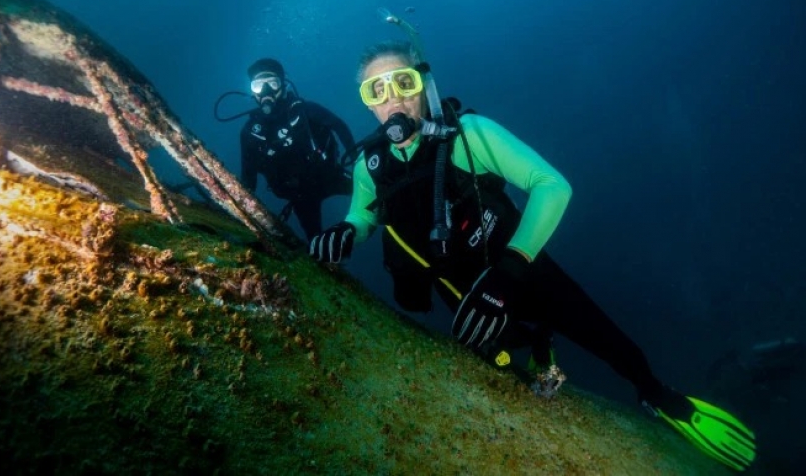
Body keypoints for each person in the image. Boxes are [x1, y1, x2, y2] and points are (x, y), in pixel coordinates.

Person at [309, 38, 758, 472]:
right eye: (377, 89)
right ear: (367, 102)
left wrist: (510, 269)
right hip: (462, 293)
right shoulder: (372, 164)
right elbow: (363, 213)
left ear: (423, 85)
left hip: (520, 272)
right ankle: (536, 342)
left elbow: (553, 185)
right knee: (504, 367)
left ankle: (659, 396)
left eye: (403, 83)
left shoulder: (469, 136)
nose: (393, 100)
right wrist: (347, 232)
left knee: (610, 342)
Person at [240, 58, 355, 241]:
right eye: (258, 85)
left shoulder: (306, 110)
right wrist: (243, 211)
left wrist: (356, 160)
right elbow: (248, 177)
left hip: (329, 175)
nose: (266, 91)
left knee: (372, 193)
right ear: (252, 91)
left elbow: (339, 126)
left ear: (283, 85)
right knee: (315, 237)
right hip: (300, 194)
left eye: (272, 83)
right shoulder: (251, 132)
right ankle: (326, 261)